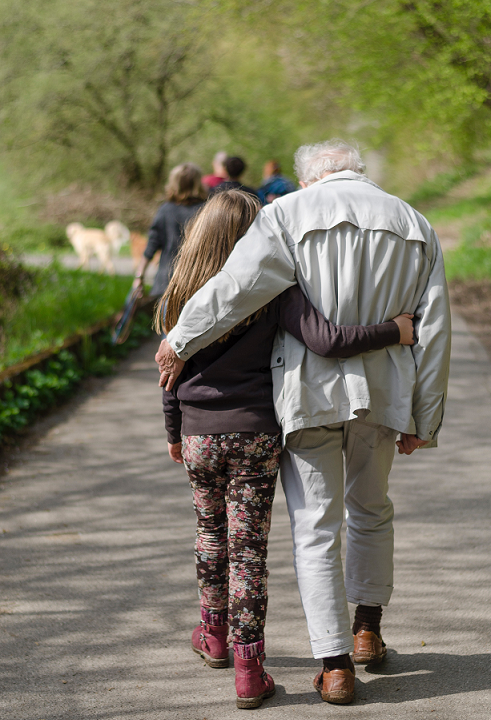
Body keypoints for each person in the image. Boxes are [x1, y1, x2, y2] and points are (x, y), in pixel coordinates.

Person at [155, 140, 451, 705]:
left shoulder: (285, 215)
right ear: (358, 172)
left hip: (308, 393)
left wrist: (179, 339)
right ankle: (368, 629)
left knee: (316, 528)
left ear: (309, 179)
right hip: (385, 393)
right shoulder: (415, 223)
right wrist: (425, 417)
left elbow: (234, 290)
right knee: (373, 510)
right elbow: (433, 329)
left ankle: (335, 667)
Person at [133, 163, 207, 299]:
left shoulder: (165, 210)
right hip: (198, 283)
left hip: (166, 282)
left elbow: (151, 245)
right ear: (198, 183)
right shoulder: (207, 210)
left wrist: (139, 277)